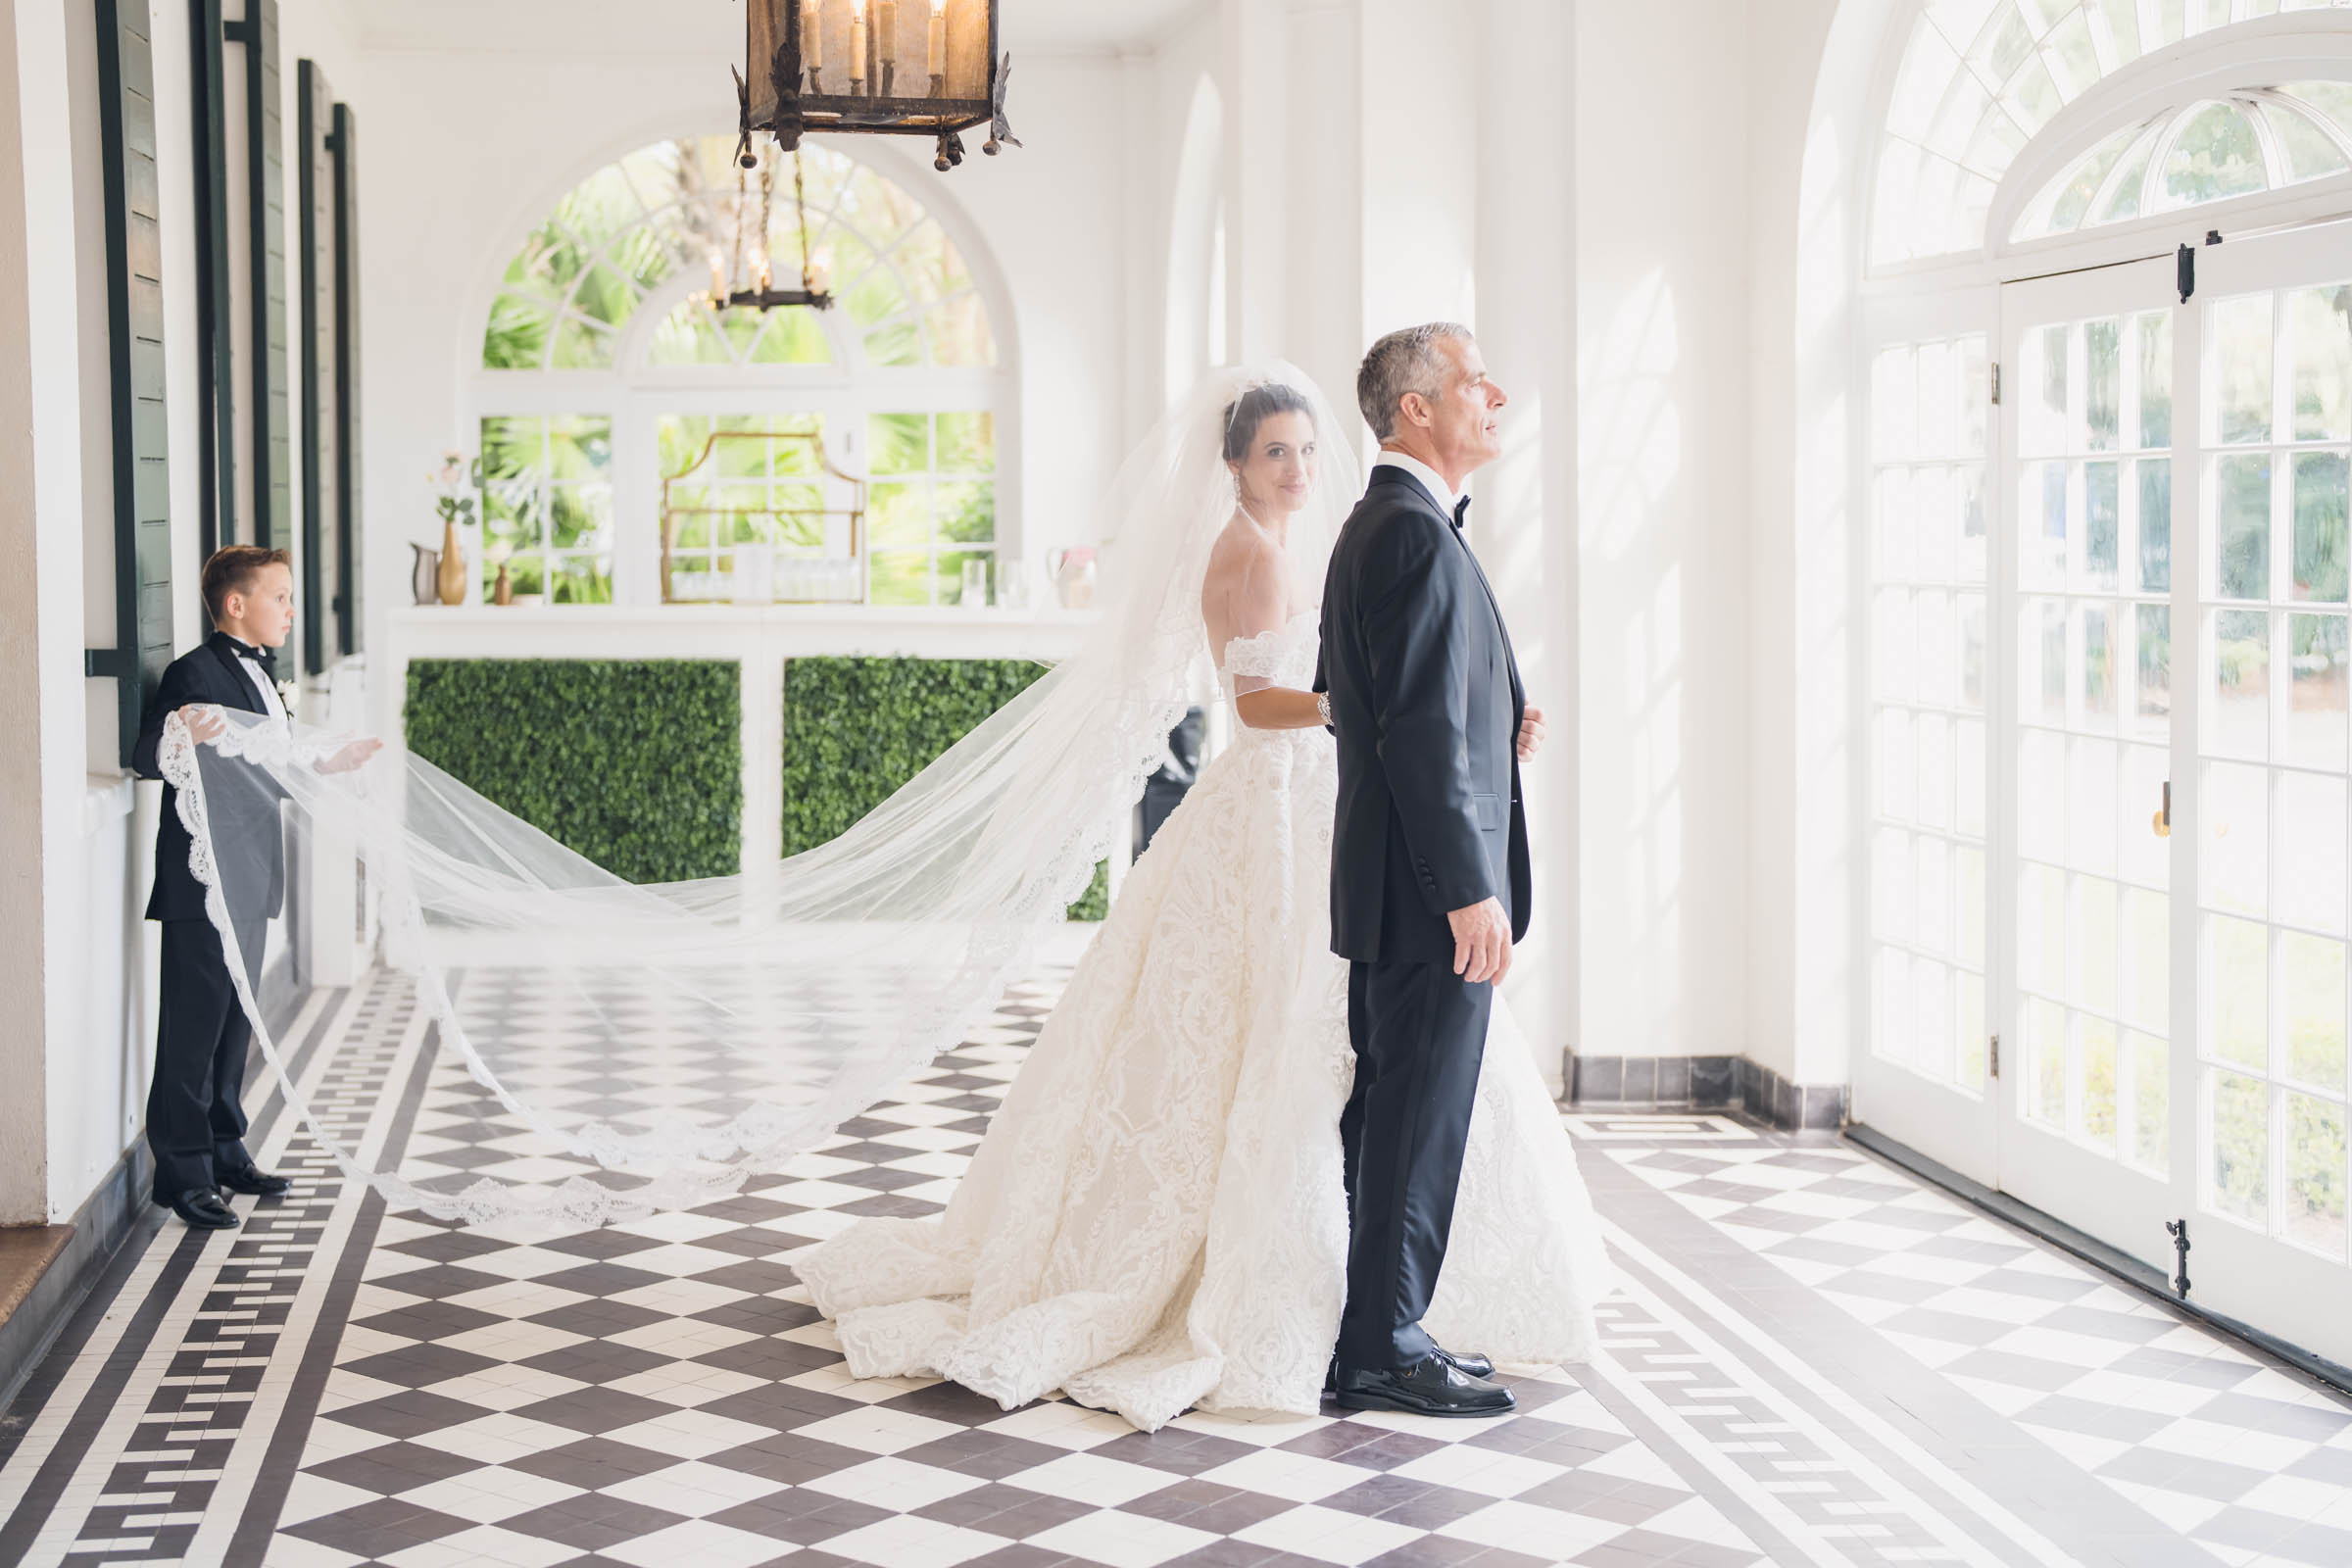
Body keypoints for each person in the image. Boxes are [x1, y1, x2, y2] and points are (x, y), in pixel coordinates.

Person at [794, 365, 1607, 1433]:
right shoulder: (1251, 553)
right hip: (1271, 800)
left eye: (1308, 450)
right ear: (1233, 463)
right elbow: (1268, 699)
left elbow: (1402, 677)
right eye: (1276, 452)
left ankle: (1377, 1301)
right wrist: (1346, 707)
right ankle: (1335, 1307)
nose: (1298, 468)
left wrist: (1478, 718)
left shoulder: (1347, 533)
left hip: (1318, 800)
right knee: (1280, 1043)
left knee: (1345, 1063)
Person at [1317, 322, 1539, 1418]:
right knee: (1415, 1118)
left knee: (1396, 1116)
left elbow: (1359, 698)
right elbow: (1406, 730)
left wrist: (1499, 725)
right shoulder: (1406, 532)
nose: (1492, 394)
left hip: (1398, 888)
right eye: (1470, 380)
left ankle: (1378, 1320)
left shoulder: (1391, 525)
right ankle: (1383, 1344)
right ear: (1416, 408)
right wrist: (1468, 886)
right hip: (1426, 896)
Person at [131, 547, 378, 1230]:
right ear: (235, 604)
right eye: (281, 597)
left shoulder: (264, 679)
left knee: (237, 1016)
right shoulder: (194, 671)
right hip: (201, 879)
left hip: (252, 869)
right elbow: (146, 753)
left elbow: (272, 759)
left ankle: (224, 1146)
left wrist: (329, 762)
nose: (292, 611)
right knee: (194, 1023)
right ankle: (182, 1172)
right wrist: (180, 735)